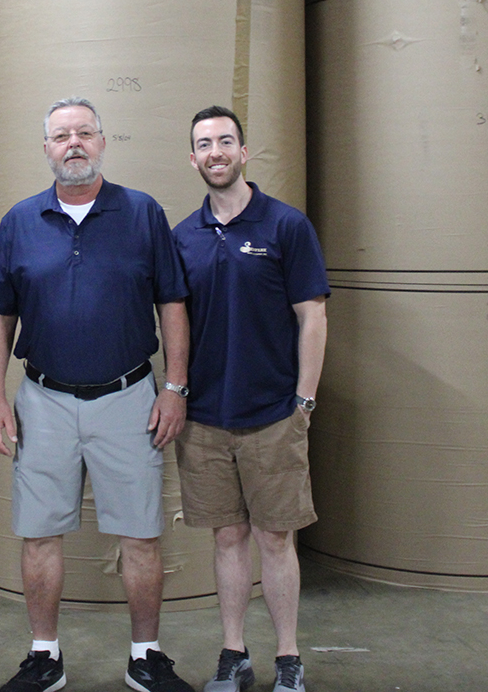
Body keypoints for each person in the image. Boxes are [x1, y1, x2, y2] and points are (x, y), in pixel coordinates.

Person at [0, 96, 195, 692]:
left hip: (129, 398)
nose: (73, 143)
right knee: (38, 533)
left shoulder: (142, 213)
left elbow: (172, 303)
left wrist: (175, 387)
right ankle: (44, 657)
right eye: (61, 136)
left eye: (84, 132)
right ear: (46, 148)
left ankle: (145, 656)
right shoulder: (20, 221)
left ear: (102, 142)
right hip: (43, 400)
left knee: (141, 533)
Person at [172, 106, 329, 692]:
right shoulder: (182, 237)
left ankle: (288, 658)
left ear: (244, 152)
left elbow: (312, 316)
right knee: (227, 536)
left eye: (225, 141)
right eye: (204, 144)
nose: (215, 152)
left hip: (272, 416)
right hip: (205, 419)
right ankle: (233, 653)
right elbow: (175, 322)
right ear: (192, 158)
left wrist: (303, 402)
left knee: (275, 538)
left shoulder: (286, 226)